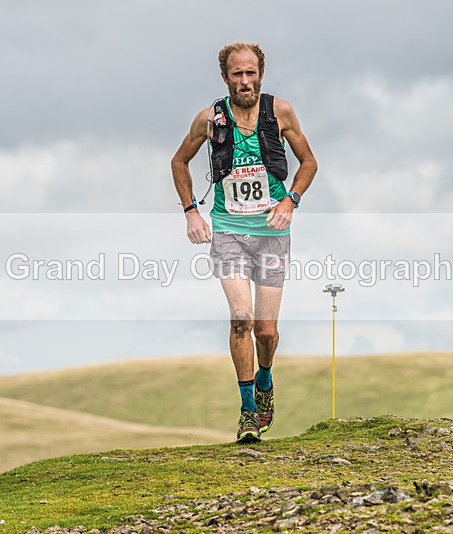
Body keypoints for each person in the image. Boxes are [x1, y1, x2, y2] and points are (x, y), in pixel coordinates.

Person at [171, 42, 317, 442]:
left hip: (272, 233)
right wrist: (190, 212)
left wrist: (291, 200)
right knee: (241, 318)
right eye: (237, 74)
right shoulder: (210, 118)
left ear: (261, 74)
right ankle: (248, 410)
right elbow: (178, 161)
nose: (245, 81)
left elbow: (309, 162)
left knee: (266, 331)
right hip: (229, 230)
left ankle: (266, 382)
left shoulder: (280, 111)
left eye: (251, 73)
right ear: (225, 78)